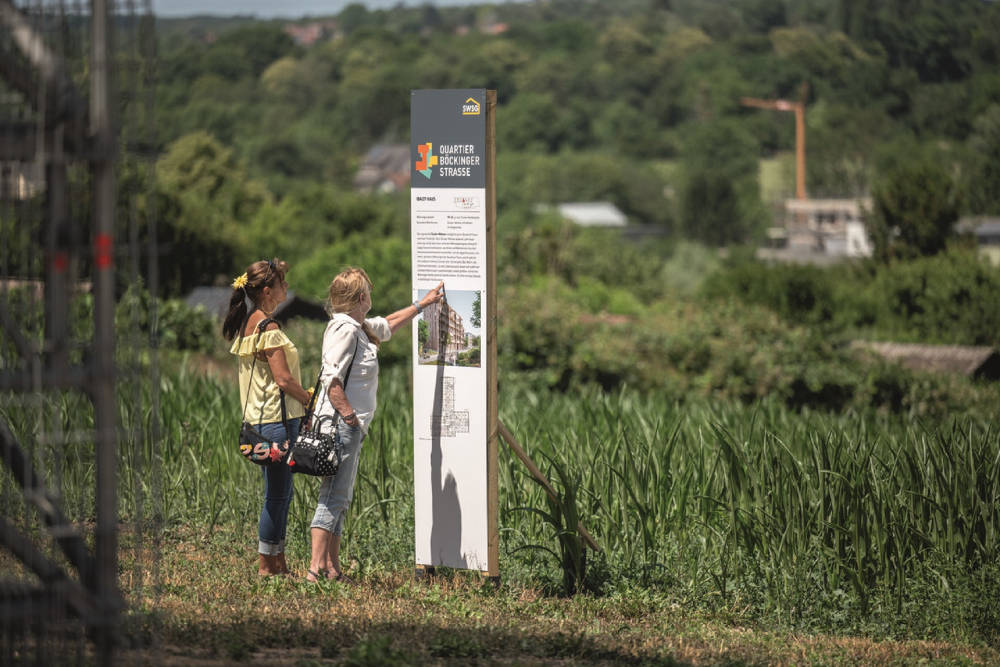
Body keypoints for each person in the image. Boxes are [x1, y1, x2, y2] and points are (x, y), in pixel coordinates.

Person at [307, 268, 444, 582]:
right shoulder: (343, 329)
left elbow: (389, 323)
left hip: (351, 427)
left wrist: (423, 305)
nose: (371, 294)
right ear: (360, 298)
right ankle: (315, 569)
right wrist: (350, 418)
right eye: (368, 290)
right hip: (341, 425)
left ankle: (332, 568)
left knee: (342, 495)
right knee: (333, 496)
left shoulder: (360, 325)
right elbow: (332, 379)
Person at [223, 258, 312, 576]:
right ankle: (266, 566)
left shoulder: (251, 324)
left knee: (280, 493)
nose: (286, 287)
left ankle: (278, 563)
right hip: (276, 421)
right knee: (278, 494)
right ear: (265, 291)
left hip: (260, 421)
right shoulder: (269, 328)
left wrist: (277, 264)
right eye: (282, 283)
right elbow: (284, 380)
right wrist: (310, 399)